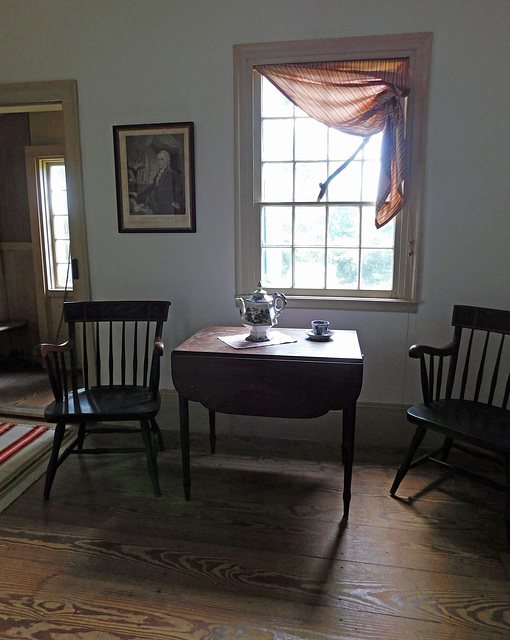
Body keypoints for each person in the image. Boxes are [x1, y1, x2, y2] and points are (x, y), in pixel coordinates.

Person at [134, 148, 184, 215]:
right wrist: (139, 195)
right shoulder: (158, 173)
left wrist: (176, 202)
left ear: (167, 160)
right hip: (158, 203)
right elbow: (152, 186)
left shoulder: (173, 174)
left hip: (169, 205)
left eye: (162, 159)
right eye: (158, 160)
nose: (159, 162)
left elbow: (179, 189)